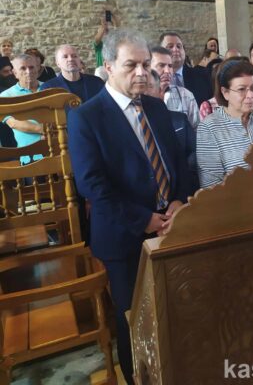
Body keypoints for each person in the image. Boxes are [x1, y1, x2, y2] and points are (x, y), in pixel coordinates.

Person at [67, 30, 189, 385]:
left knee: (175, 312)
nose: (141, 73)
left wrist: (179, 200)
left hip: (173, 225)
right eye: (131, 65)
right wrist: (145, 219)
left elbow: (178, 162)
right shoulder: (87, 117)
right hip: (125, 237)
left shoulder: (156, 107)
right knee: (135, 320)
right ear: (108, 66)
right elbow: (92, 185)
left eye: (146, 65)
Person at [197, 58, 253, 188]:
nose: (250, 95)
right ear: (225, 92)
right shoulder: (210, 127)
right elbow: (211, 185)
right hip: (233, 199)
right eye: (242, 89)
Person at [146, 69, 199, 195]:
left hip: (180, 190)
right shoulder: (131, 125)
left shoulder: (179, 120)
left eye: (149, 86)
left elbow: (194, 153)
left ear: (160, 92)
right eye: (141, 87)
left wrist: (180, 194)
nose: (144, 92)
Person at [0, 55, 45, 163]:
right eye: (23, 68)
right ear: (15, 73)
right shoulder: (5, 96)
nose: (28, 71)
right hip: (29, 156)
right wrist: (46, 130)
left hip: (59, 150)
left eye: (31, 67)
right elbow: (13, 123)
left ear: (38, 69)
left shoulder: (50, 88)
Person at [149, 46, 199, 129]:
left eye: (170, 66)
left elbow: (197, 129)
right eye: (161, 65)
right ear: (148, 68)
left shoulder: (186, 96)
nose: (167, 71)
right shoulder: (139, 98)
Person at [160, 32, 213, 106]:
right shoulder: (154, 80)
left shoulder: (203, 76)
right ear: (160, 52)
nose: (176, 49)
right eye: (170, 46)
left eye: (179, 46)